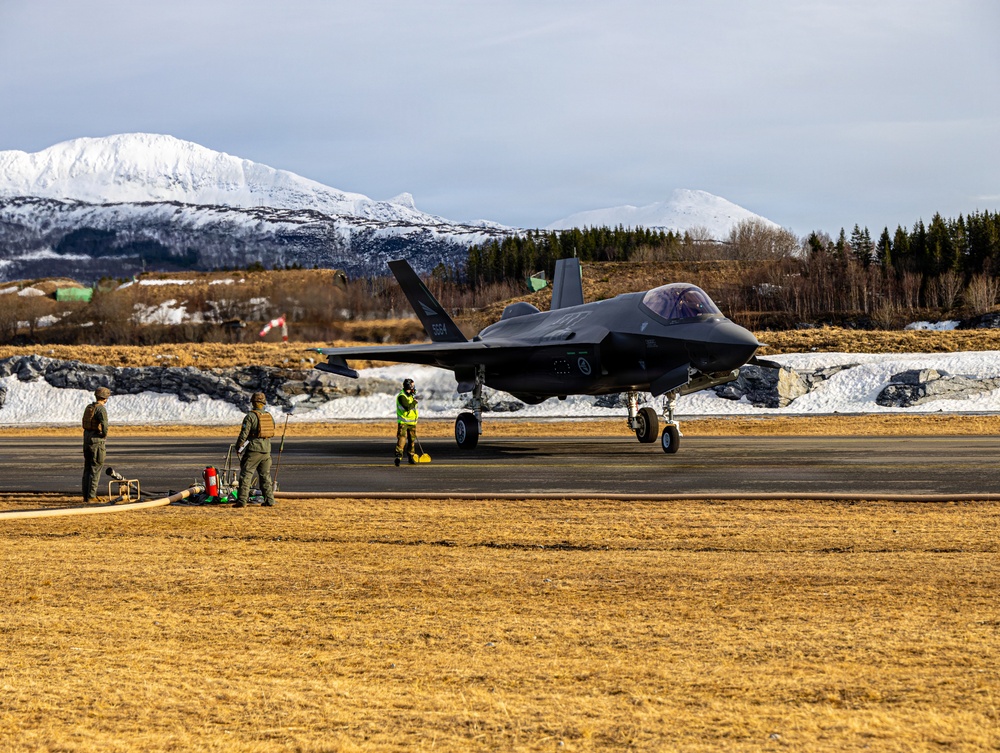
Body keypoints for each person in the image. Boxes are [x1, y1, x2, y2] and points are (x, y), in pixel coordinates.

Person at [234, 392, 276, 508]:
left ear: (253, 402)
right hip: (266, 450)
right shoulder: (269, 416)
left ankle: (242, 501)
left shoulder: (250, 416)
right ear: (263, 403)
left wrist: (238, 447)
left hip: (253, 450)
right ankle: (269, 500)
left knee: (246, 475)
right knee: (265, 476)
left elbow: (244, 434)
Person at [82, 386, 111, 503]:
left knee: (87, 469)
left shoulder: (89, 407)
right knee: (96, 469)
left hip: (87, 440)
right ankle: (91, 496)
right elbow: (105, 426)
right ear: (105, 398)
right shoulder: (101, 409)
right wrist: (103, 435)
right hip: (96, 442)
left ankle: (86, 495)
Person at [395, 378, 419, 466]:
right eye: (412, 385)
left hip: (412, 423)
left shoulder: (411, 395)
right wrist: (414, 402)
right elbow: (407, 407)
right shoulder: (402, 396)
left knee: (412, 440)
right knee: (402, 439)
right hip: (403, 422)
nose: (414, 387)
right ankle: (398, 456)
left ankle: (411, 456)